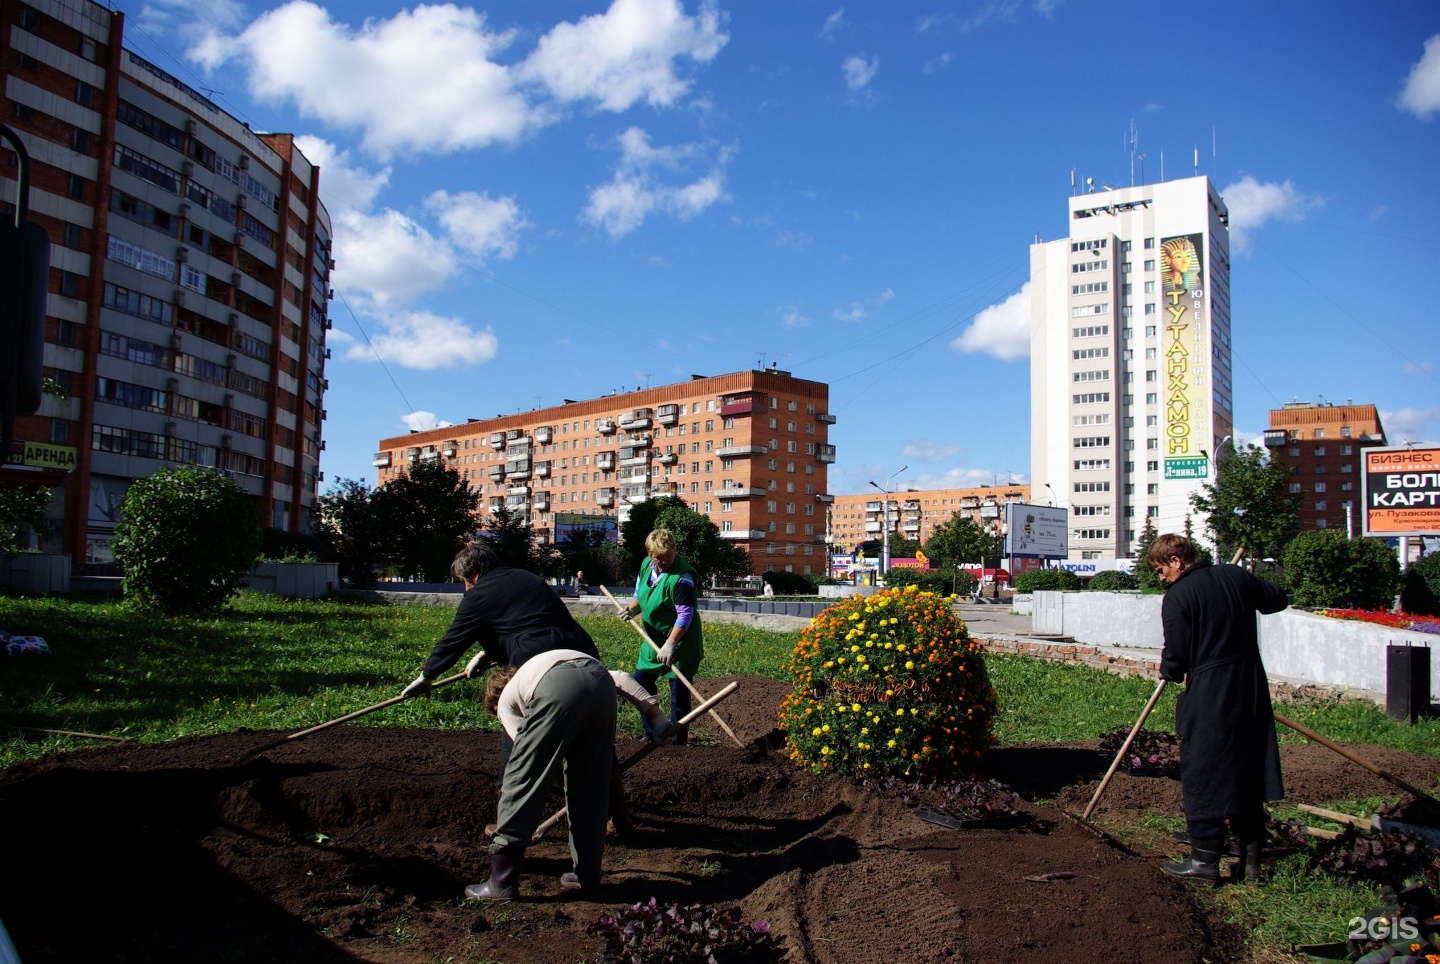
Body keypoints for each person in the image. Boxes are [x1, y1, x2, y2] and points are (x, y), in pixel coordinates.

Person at [465, 652, 675, 900]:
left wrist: (554, 782)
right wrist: (659, 720)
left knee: (519, 780)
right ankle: (587, 875)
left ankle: (501, 881)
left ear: (493, 705)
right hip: (598, 682)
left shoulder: (505, 703)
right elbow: (619, 678)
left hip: (558, 688)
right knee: (590, 785)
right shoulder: (537, 669)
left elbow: (531, 763)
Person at [1147, 533, 1289, 884]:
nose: (1160, 577)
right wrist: (1238, 586)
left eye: (1161, 569)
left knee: (1205, 768)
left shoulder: (1178, 596)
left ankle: (1204, 864)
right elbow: (1276, 599)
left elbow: (1176, 658)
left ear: (1177, 561)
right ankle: (1251, 865)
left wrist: (1166, 670)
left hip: (1211, 690)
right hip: (1250, 684)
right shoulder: (1235, 575)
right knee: (1247, 766)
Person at [617, 529, 704, 746]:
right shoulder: (647, 566)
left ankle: (678, 742)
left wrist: (671, 644)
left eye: (668, 555)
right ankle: (651, 731)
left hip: (680, 640)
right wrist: (631, 609)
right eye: (659, 557)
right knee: (640, 682)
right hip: (654, 639)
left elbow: (685, 614)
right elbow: (640, 595)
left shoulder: (682, 577)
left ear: (674, 550)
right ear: (649, 555)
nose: (664, 561)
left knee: (679, 696)